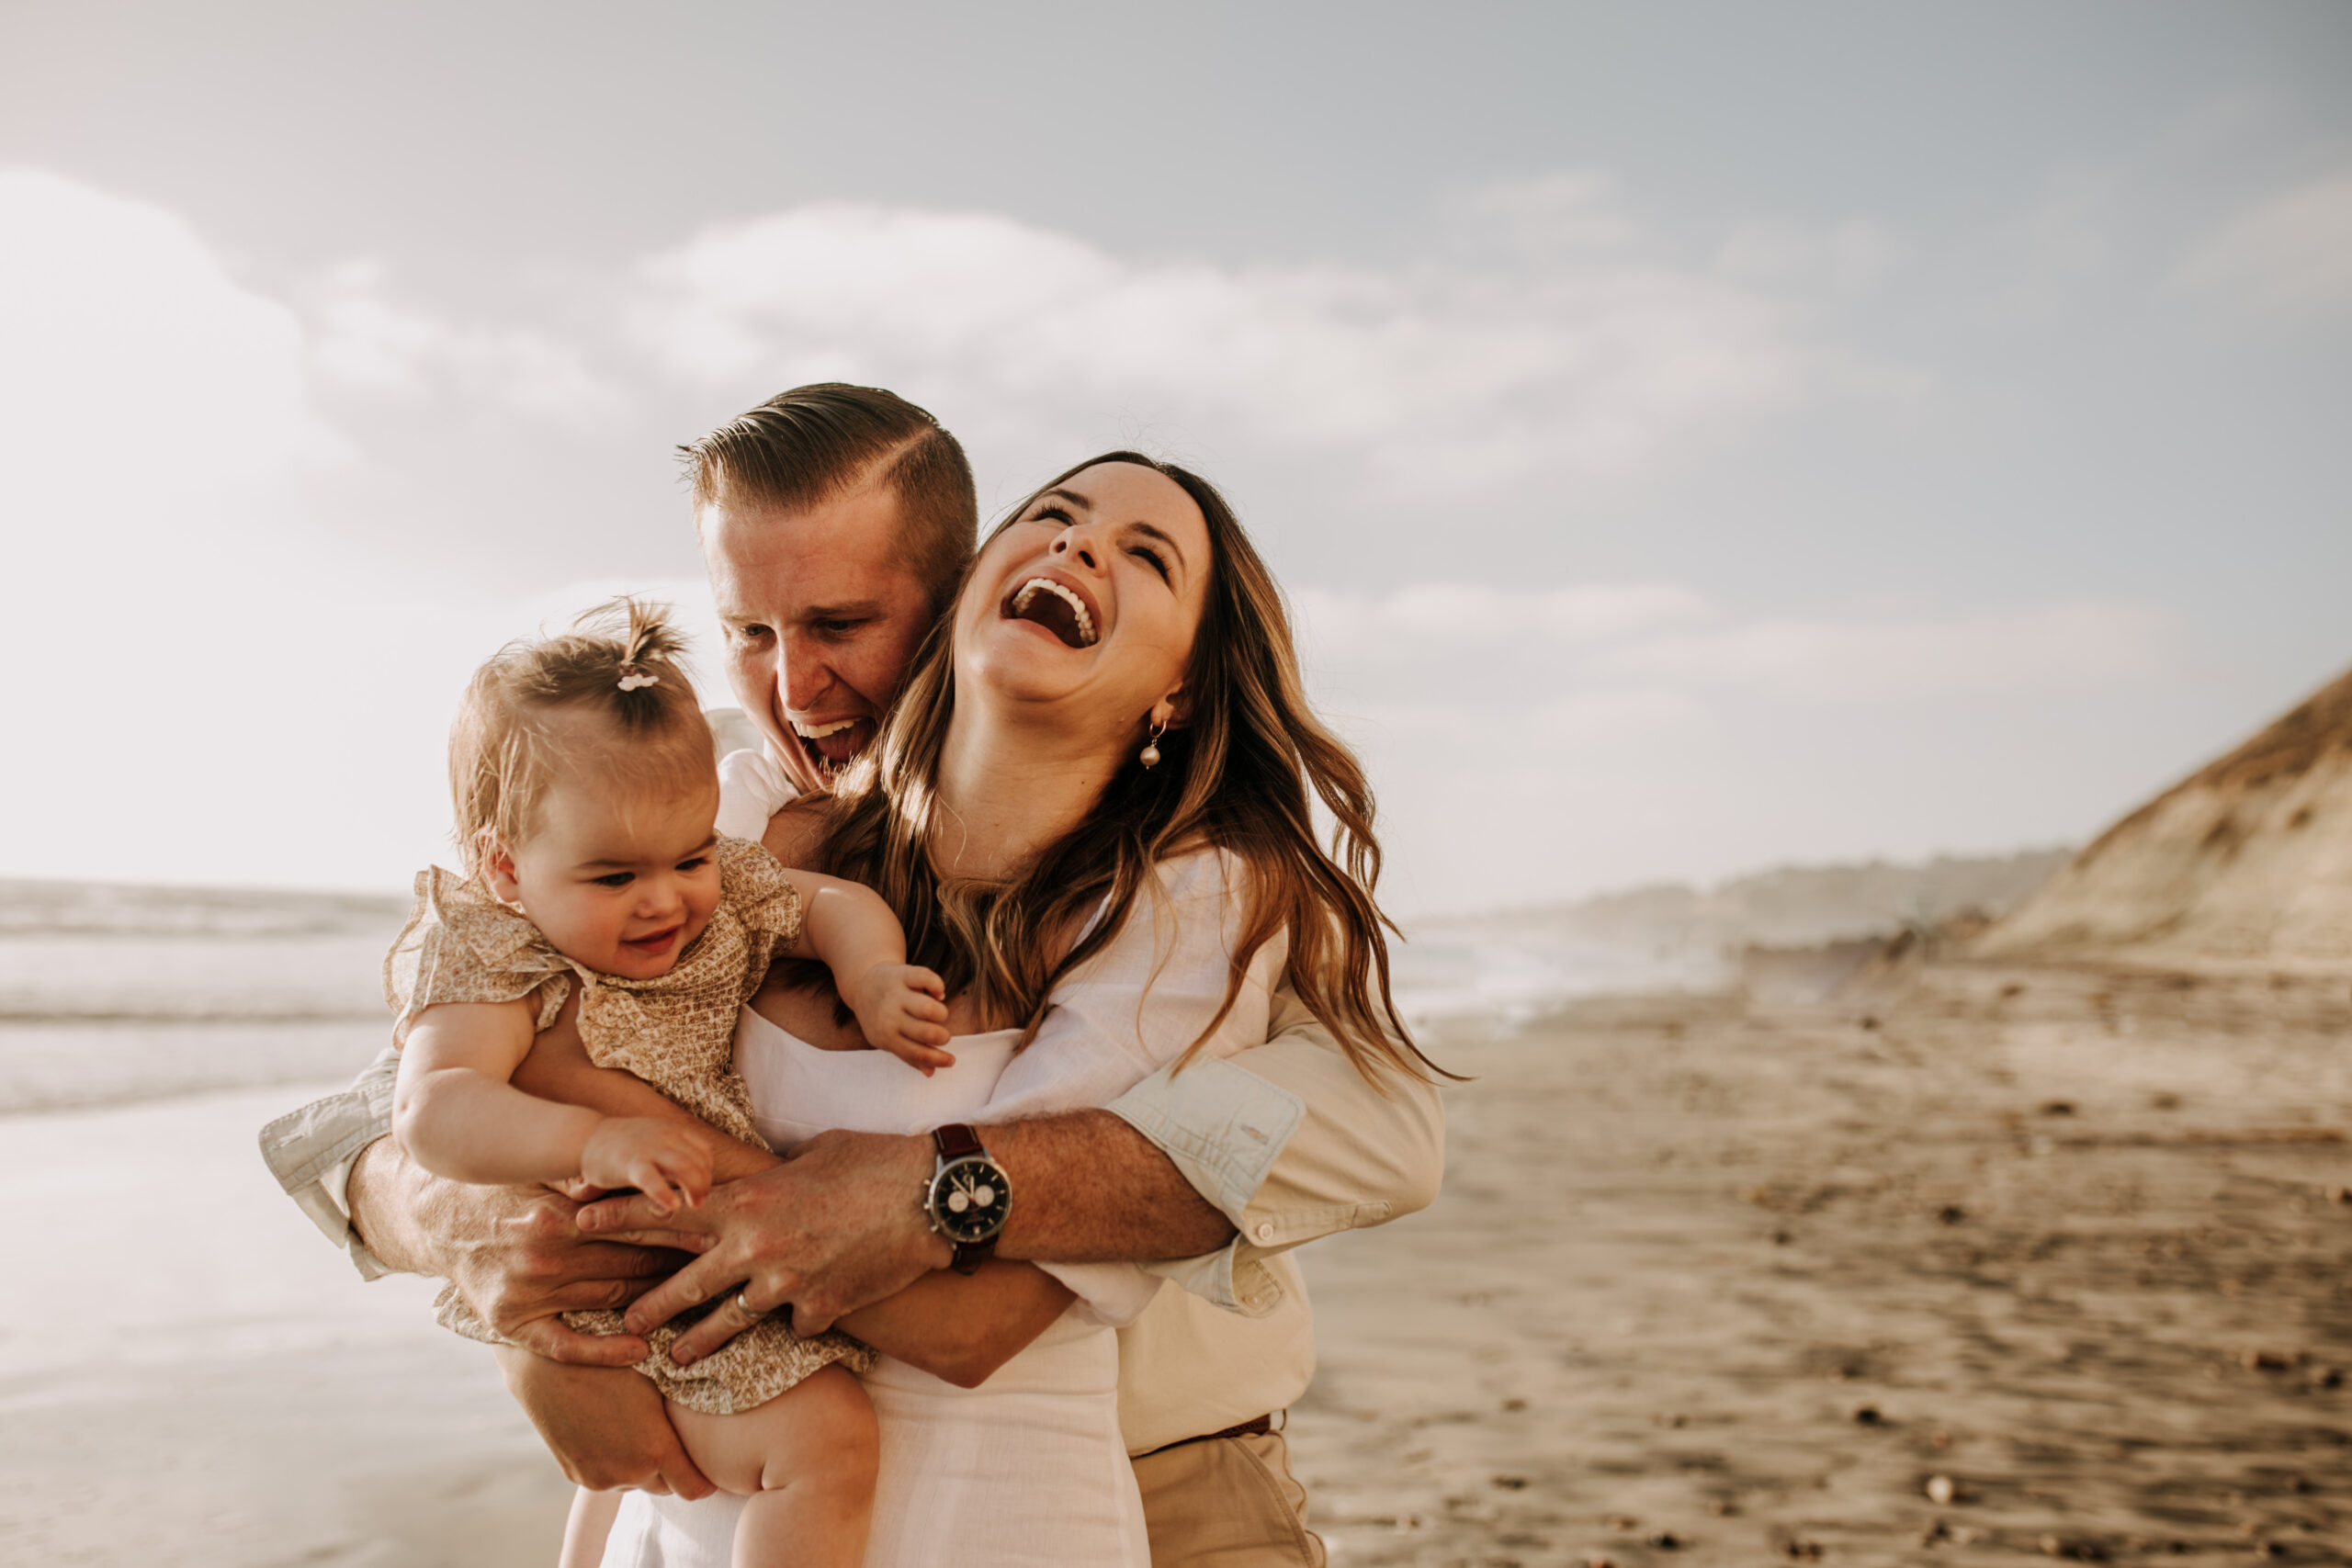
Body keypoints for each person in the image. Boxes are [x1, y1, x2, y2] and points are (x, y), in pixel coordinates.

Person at [258, 385, 1449, 1566]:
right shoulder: (699, 813)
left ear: (959, 592)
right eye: (750, 632)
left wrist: (950, 1185)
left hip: (1149, 1470)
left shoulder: (1187, 879)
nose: (792, 688)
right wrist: (491, 1258)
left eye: (839, 625)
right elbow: (370, 1119)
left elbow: (1387, 1128)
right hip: (761, 1471)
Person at [565, 448, 1440, 1564]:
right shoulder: (736, 817)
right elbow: (495, 1039)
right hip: (720, 1490)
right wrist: (504, 1288)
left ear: (1179, 687)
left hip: (1066, 1488)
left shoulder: (1188, 903)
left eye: (1146, 555)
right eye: (1059, 515)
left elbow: (977, 1324)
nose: (793, 683)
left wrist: (661, 1201)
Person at [384, 599, 956, 1568]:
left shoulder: (722, 884)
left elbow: (834, 906)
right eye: (613, 879)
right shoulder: (495, 950)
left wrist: (870, 977)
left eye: (689, 855)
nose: (667, 899)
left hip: (703, 1254)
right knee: (827, 1441)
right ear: (504, 868)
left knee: (653, 1497)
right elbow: (432, 1111)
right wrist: (588, 1142)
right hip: (612, 1288)